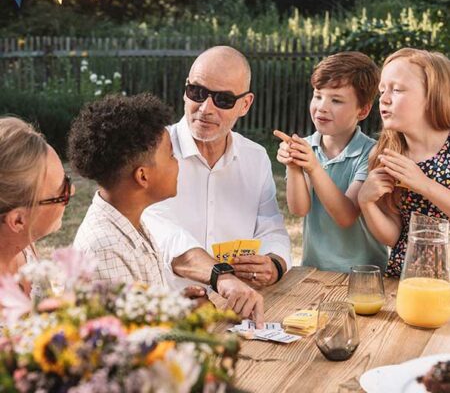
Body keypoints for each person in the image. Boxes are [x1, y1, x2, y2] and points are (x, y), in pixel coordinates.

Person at [69, 93, 264, 325]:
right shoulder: (104, 249)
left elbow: (139, 314)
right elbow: (127, 345)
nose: (178, 162)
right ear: (143, 176)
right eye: (171, 155)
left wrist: (178, 308)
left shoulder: (133, 223)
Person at [143, 46, 291, 290]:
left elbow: (271, 227)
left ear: (245, 105)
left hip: (237, 305)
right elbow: (162, 236)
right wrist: (221, 277)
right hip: (168, 307)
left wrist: (273, 264)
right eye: (197, 92)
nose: (206, 108)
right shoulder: (153, 151)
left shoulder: (255, 157)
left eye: (223, 99)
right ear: (185, 90)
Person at [276, 51, 388, 273]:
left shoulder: (372, 154)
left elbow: (346, 215)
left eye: (336, 100)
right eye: (318, 96)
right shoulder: (306, 148)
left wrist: (313, 168)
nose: (322, 107)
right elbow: (299, 209)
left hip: (365, 274)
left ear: (363, 110)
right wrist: (294, 167)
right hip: (314, 271)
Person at [358, 48, 450, 277]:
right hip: (407, 282)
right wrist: (366, 202)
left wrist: (424, 184)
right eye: (382, 91)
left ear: (433, 96)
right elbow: (395, 237)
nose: (384, 99)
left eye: (397, 90)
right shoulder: (387, 153)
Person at [0, 116, 73, 296]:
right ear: (17, 220)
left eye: (68, 180)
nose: (73, 190)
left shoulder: (23, 247)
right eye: (62, 191)